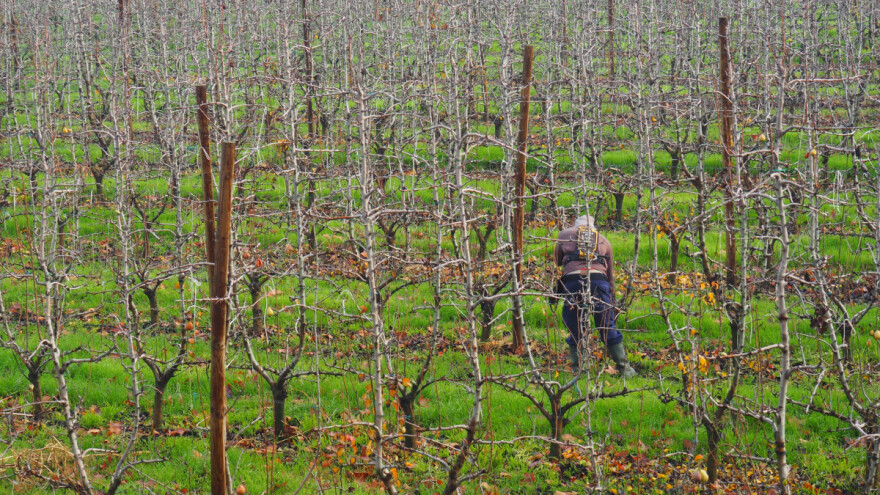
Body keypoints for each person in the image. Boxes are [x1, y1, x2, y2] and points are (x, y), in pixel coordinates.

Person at [554, 214, 637, 378]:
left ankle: (579, 370)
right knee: (606, 325)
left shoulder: (564, 235)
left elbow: (557, 261)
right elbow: (610, 274)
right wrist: (611, 298)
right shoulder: (604, 240)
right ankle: (626, 371)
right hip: (599, 283)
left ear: (575, 225)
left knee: (574, 326)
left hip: (572, 282)